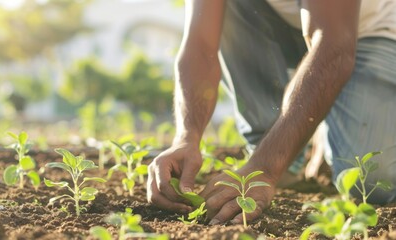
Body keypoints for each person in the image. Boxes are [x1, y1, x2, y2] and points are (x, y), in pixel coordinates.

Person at [147, 0, 396, 225]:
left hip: (363, 32)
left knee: (373, 184)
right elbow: (200, 45)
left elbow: (335, 48)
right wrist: (187, 137)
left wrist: (264, 168)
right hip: (283, 28)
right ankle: (276, 150)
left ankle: (295, 142)